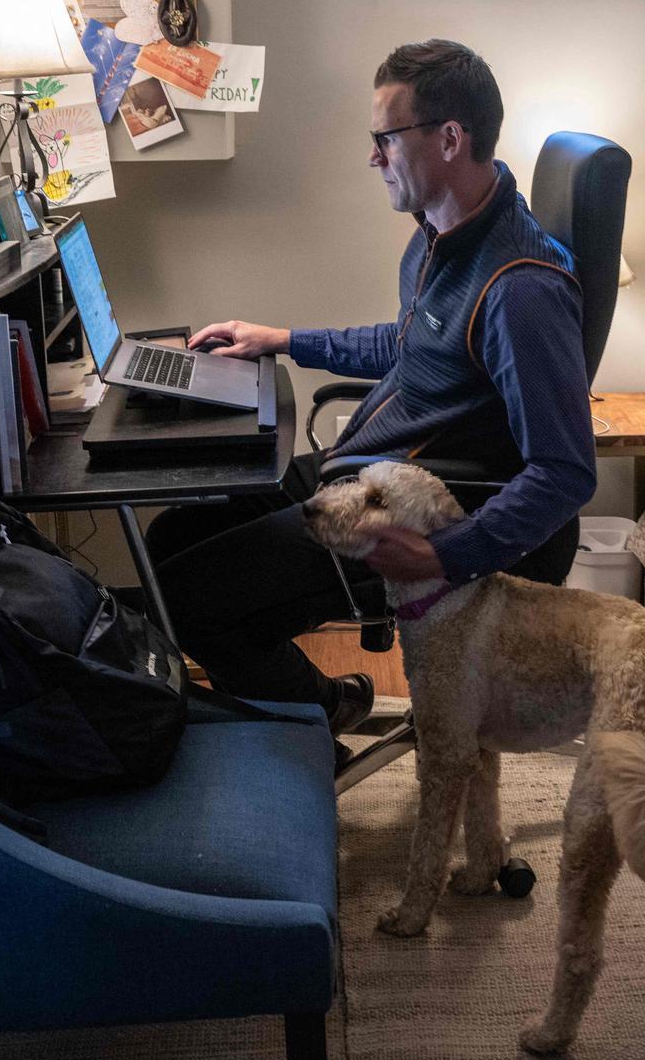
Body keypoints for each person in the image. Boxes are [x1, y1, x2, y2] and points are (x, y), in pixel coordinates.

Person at [145, 39, 598, 754]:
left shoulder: (521, 291)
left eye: (385, 138)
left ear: (449, 139)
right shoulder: (437, 236)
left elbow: (566, 473)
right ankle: (325, 705)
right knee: (170, 539)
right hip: (364, 473)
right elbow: (412, 344)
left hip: (424, 518)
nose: (373, 156)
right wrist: (283, 339)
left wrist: (444, 556)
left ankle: (310, 742)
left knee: (186, 599)